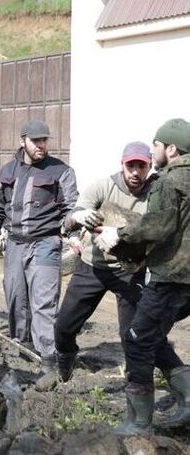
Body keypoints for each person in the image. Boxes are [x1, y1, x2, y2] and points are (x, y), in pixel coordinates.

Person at [52, 141, 179, 387]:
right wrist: (78, 216)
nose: (135, 172)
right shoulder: (103, 187)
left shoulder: (155, 194)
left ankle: (139, 384)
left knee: (133, 334)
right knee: (64, 327)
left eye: (141, 166)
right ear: (122, 165)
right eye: (130, 166)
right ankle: (65, 368)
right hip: (93, 267)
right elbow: (71, 217)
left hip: (130, 272)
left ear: (149, 166)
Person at [92, 118, 190, 434]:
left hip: (172, 277)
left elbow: (160, 225)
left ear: (171, 149)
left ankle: (138, 422)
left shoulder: (168, 182)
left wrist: (119, 234)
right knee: (152, 334)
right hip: (185, 281)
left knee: (136, 340)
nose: (154, 150)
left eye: (156, 145)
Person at [0, 119, 78, 378]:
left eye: (44, 140)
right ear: (23, 141)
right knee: (16, 299)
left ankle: (48, 360)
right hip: (15, 244)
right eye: (35, 141)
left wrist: (73, 235)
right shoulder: (8, 170)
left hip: (45, 243)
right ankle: (23, 348)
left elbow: (71, 208)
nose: (41, 145)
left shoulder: (61, 171)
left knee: (43, 302)